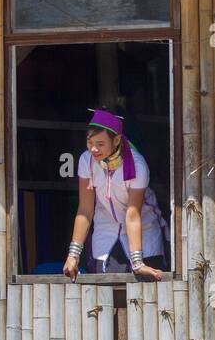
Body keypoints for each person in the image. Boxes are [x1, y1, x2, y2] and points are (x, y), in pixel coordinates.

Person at [63, 109, 168, 281]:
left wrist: (138, 262)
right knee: (105, 296)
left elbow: (132, 214)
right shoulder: (86, 161)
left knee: (144, 294)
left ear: (116, 140)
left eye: (100, 144)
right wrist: (73, 255)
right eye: (90, 142)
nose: (94, 149)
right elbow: (85, 209)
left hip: (143, 232)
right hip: (106, 231)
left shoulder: (137, 165)